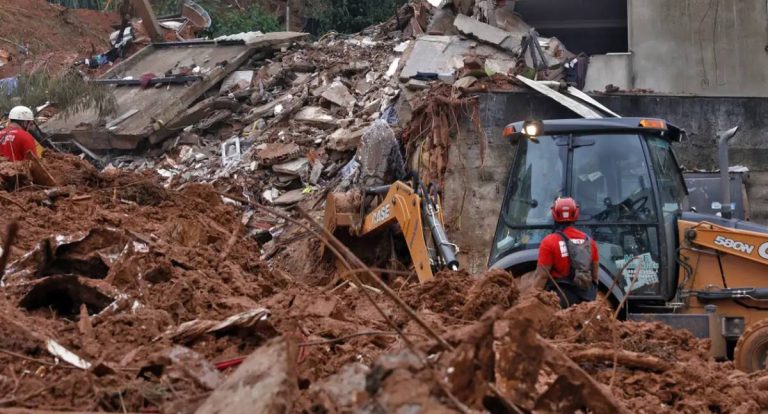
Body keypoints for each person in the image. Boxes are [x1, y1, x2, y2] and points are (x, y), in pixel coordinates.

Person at [533, 197, 599, 308]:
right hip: (586, 300)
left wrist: (531, 300)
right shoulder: (590, 242)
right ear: (576, 214)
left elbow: (541, 276)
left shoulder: (549, 241)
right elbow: (595, 277)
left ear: (554, 214)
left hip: (560, 300)